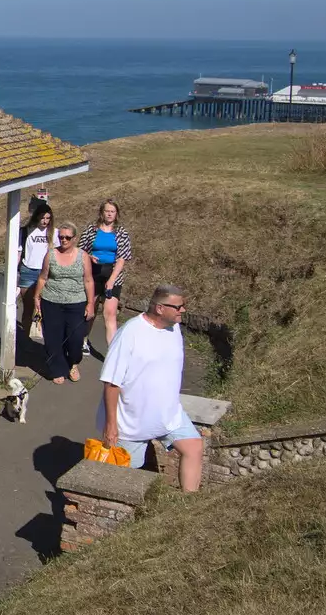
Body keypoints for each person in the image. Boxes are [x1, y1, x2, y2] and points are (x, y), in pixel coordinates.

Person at [97, 284, 202, 491]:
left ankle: (189, 508)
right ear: (160, 308)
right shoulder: (130, 334)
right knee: (126, 479)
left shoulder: (174, 328)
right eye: (178, 307)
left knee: (194, 448)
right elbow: (111, 382)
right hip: (131, 423)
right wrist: (111, 425)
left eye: (184, 306)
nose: (183, 311)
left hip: (169, 416)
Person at [30, 223, 95, 383]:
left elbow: (88, 280)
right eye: (61, 237)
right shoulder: (51, 255)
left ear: (74, 238)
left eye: (67, 237)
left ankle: (73, 363)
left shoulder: (83, 256)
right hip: (51, 301)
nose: (63, 240)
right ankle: (57, 369)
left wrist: (90, 303)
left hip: (76, 302)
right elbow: (43, 277)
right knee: (53, 338)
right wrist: (36, 298)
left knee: (75, 338)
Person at [79, 200, 133, 354]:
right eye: (107, 211)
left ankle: (113, 352)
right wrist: (89, 257)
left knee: (110, 313)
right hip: (93, 273)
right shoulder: (91, 229)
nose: (109, 214)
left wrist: (111, 280)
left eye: (112, 211)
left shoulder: (121, 232)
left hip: (113, 274)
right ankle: (83, 340)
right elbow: (81, 251)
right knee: (90, 310)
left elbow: (122, 258)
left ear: (116, 214)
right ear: (101, 212)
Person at [17, 203, 53, 311]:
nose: (45, 221)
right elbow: (18, 253)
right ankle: (27, 328)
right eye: (42, 217)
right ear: (37, 216)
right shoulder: (26, 231)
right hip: (28, 271)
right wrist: (14, 272)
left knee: (43, 308)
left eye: (48, 218)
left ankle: (40, 328)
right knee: (28, 308)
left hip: (46, 272)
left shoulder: (54, 233)